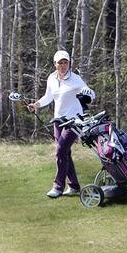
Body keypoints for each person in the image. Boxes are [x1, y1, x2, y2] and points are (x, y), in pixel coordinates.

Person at [27, 49, 95, 197]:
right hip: (59, 121)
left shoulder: (75, 79)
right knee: (65, 153)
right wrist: (36, 105)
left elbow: (89, 92)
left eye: (66, 63)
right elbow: (48, 97)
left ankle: (58, 187)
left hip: (75, 121)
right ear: (55, 64)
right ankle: (74, 186)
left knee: (60, 151)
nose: (63, 66)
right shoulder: (51, 78)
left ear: (69, 64)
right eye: (60, 63)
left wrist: (88, 95)